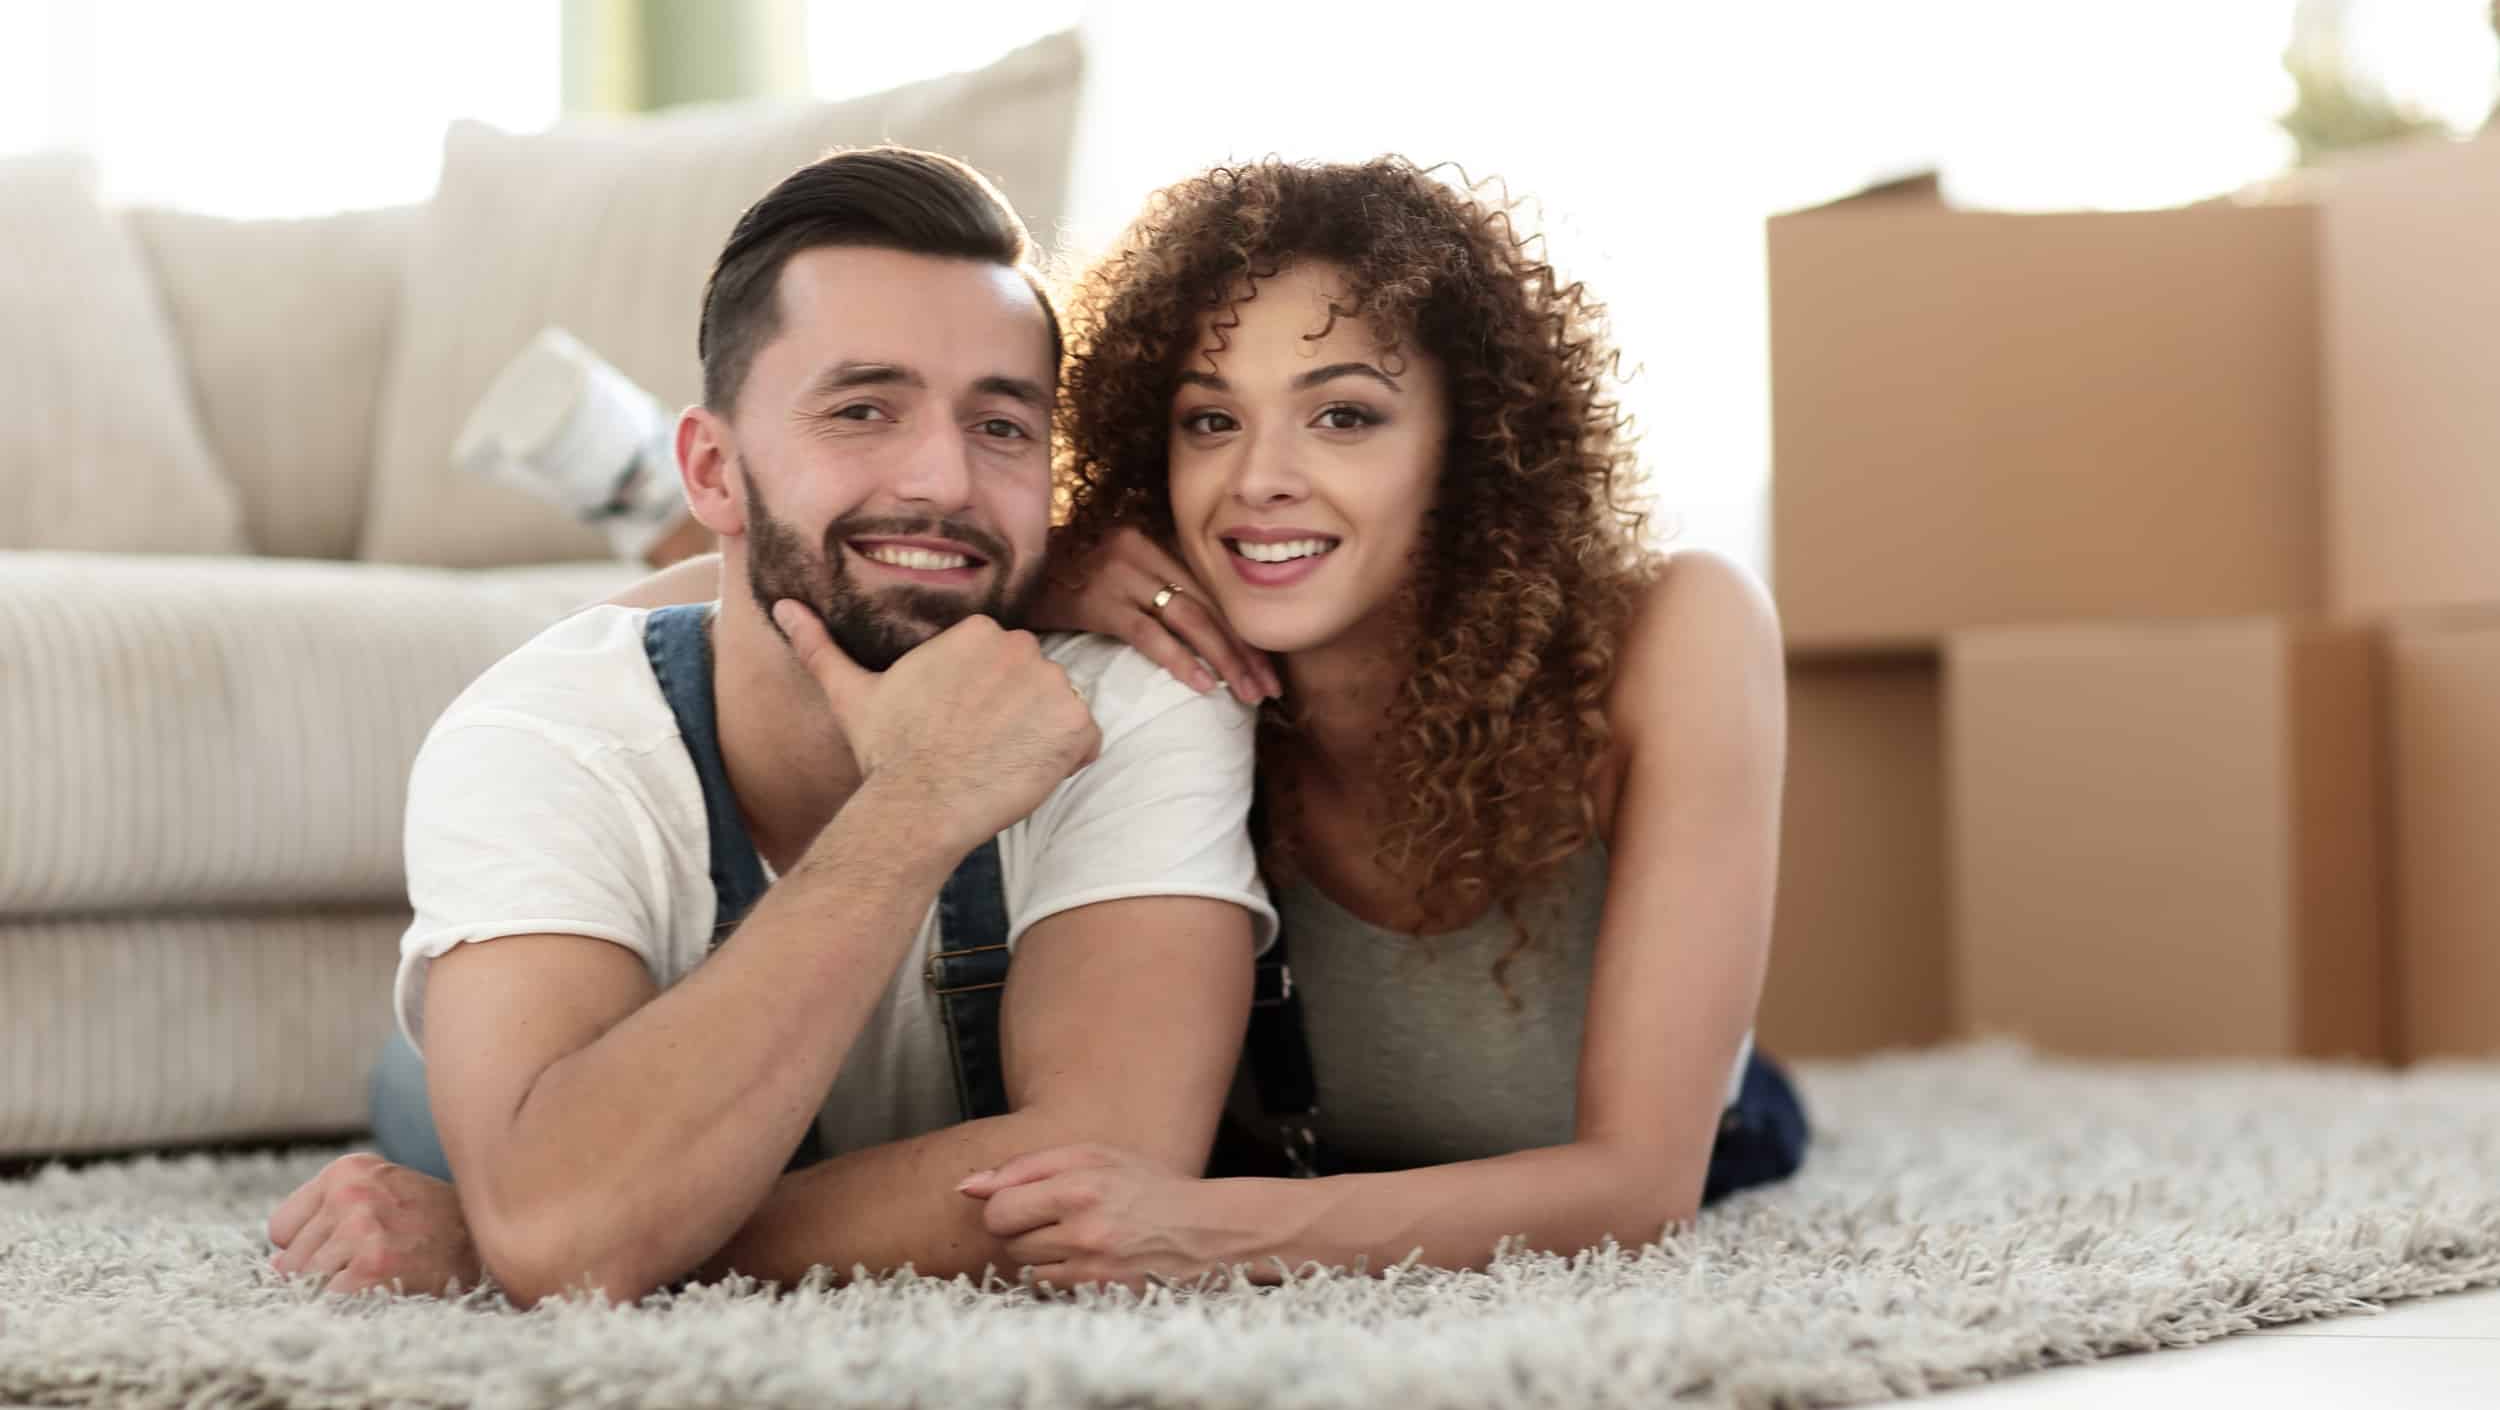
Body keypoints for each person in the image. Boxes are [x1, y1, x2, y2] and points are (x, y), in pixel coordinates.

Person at [617, 156, 1808, 1287]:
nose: (1260, 480)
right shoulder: (1142, 653)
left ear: (1473, 447)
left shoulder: (1677, 630)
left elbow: (1642, 1186)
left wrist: (1225, 1231)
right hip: (1285, 1156)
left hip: (1676, 1137)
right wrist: (1025, 576)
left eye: (1342, 417)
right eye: (1208, 420)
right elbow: (660, 618)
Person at [264, 147, 1274, 1302]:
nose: (943, 477)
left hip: (635, 1141)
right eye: (862, 409)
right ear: (713, 467)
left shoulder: (1141, 694)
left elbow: (1113, 1164)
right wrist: (917, 801)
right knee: (434, 1104)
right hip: (505, 1059)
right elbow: (552, 1216)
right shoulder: (541, 731)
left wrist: (552, 1236)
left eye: (1000, 427)